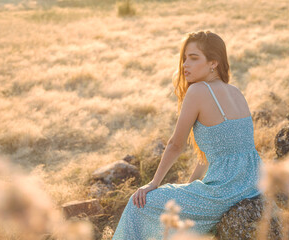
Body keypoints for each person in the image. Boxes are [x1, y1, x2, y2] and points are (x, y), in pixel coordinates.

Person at [112, 30, 263, 240]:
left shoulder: (198, 91)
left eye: (193, 58)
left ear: (214, 62)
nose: (185, 65)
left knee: (138, 203)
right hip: (254, 182)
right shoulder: (236, 91)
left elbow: (176, 144)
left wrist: (153, 183)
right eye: (184, 59)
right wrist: (191, 185)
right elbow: (220, 152)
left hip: (225, 191)